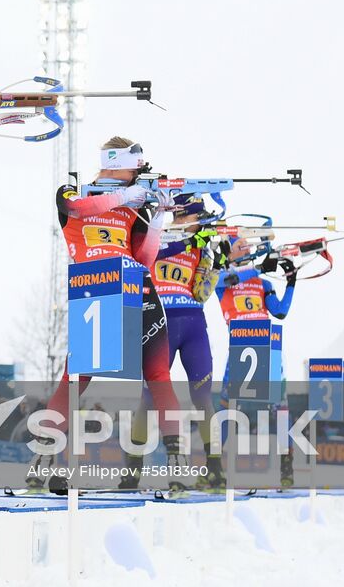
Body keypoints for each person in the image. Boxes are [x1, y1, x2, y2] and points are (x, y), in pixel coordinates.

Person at [39, 137, 184, 492]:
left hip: (138, 288)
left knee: (158, 375)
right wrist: (126, 196)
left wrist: (158, 219)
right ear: (116, 163)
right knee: (75, 379)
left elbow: (145, 257)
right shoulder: (74, 191)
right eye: (135, 166)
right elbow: (81, 210)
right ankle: (42, 462)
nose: (139, 173)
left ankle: (178, 464)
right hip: (97, 287)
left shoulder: (135, 206)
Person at [149, 196, 224, 488]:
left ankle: (215, 468)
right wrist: (190, 243)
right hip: (159, 320)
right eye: (197, 219)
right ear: (182, 217)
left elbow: (202, 293)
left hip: (192, 321)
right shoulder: (159, 234)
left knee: (203, 397)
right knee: (149, 395)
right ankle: (132, 470)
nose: (200, 225)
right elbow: (152, 255)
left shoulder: (201, 246)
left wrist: (215, 263)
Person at [215, 235, 299, 487]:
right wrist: (258, 266)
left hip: (267, 345)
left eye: (247, 246)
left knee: (279, 410)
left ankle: (287, 468)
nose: (246, 250)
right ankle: (215, 466)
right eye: (240, 246)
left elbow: (280, 310)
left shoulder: (261, 283)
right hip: (240, 344)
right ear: (229, 253)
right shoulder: (220, 279)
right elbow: (226, 279)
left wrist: (291, 281)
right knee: (227, 409)